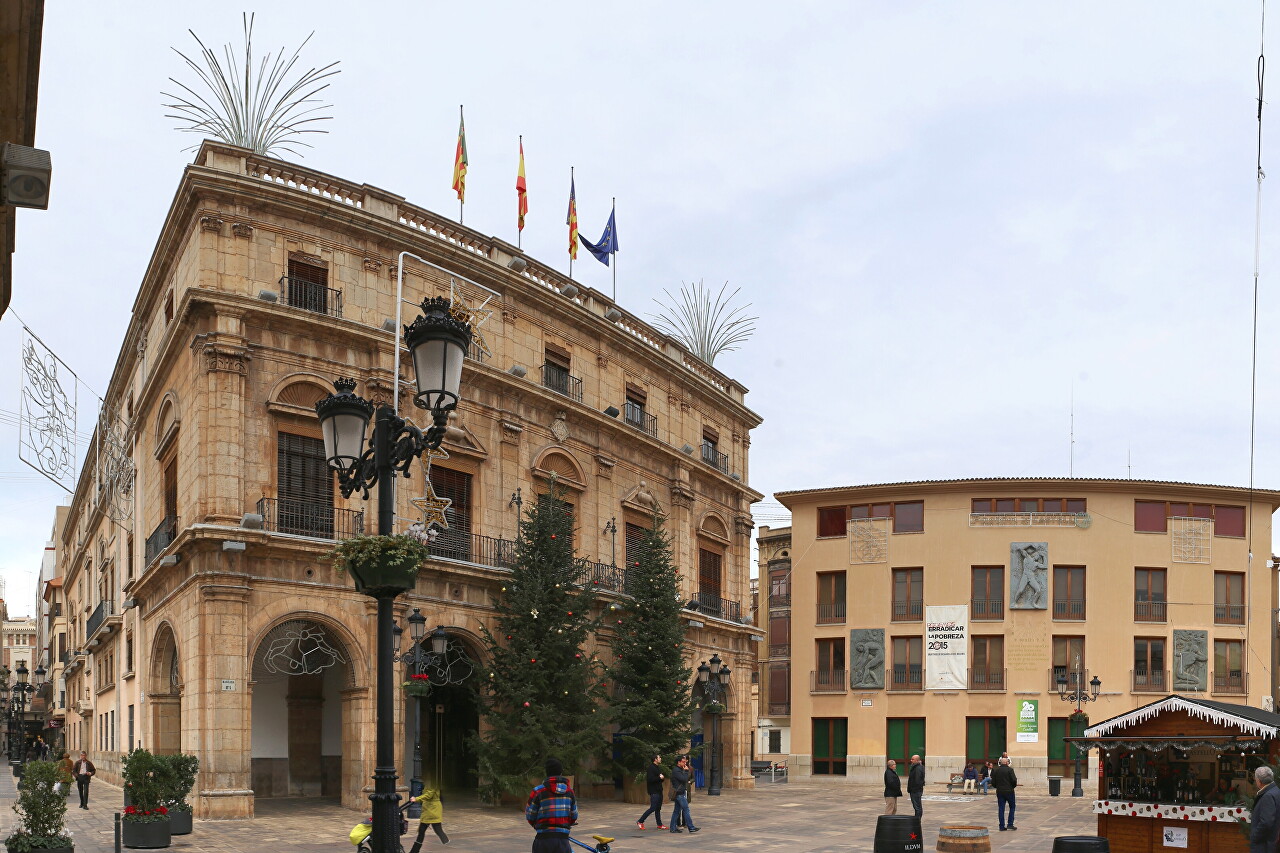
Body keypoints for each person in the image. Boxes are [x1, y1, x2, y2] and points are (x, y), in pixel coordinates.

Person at [525, 757, 577, 853]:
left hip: (543, 840)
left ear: (547, 773)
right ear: (561, 772)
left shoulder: (538, 791)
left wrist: (539, 825)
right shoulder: (570, 792)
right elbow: (574, 816)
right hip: (562, 840)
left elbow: (530, 816)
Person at [1249, 766, 1280, 853]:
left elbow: (1266, 822)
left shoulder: (1268, 796)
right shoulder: (1276, 790)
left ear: (1259, 781)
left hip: (1264, 845)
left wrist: (1255, 836)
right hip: (1272, 843)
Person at [668, 754, 699, 834]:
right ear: (679, 762)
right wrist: (685, 771)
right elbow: (684, 779)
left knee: (676, 811)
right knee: (686, 810)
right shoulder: (676, 770)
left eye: (685, 762)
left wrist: (685, 771)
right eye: (683, 762)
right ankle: (691, 827)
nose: (685, 763)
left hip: (681, 793)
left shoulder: (680, 769)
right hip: (679, 794)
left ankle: (672, 828)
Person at [636, 754, 667, 830]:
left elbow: (660, 778)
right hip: (654, 791)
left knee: (658, 808)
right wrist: (659, 777)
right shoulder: (651, 768)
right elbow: (650, 779)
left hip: (659, 790)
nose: (660, 758)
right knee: (653, 808)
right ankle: (640, 821)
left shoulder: (657, 767)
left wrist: (661, 778)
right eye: (659, 757)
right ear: (655, 759)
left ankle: (659, 824)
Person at [992, 756, 1018, 831]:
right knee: (1012, 807)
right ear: (1007, 762)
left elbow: (993, 782)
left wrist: (997, 787)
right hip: (1009, 791)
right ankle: (1010, 824)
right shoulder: (1010, 770)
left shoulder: (997, 770)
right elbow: (1014, 780)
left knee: (1001, 808)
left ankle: (1001, 826)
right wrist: (1012, 787)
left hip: (1000, 791)